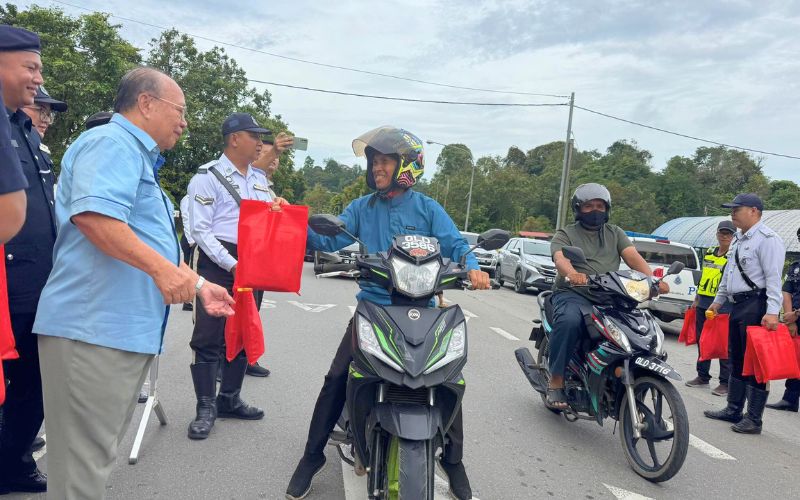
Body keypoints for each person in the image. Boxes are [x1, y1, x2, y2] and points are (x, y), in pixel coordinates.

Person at [32, 67, 235, 498]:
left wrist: (198, 285)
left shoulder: (134, 156)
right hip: (93, 333)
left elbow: (148, 242)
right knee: (80, 477)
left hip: (116, 334)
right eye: (179, 110)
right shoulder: (110, 143)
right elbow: (96, 218)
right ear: (146, 103)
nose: (184, 121)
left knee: (93, 464)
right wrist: (164, 273)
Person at [286, 126, 490, 500]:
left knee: (446, 376)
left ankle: (454, 461)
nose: (377, 168)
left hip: (424, 309)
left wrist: (473, 266)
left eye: (384, 161)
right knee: (336, 377)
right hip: (376, 307)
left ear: (406, 166)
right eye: (374, 162)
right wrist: (295, 219)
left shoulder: (428, 208)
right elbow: (331, 238)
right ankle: (311, 456)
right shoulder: (363, 207)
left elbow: (457, 245)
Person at [186, 112, 288, 440]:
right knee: (209, 336)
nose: (261, 143)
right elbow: (202, 231)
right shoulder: (207, 176)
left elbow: (264, 220)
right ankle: (205, 406)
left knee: (245, 330)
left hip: (252, 264)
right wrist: (232, 264)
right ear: (234, 139)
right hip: (220, 265)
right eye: (254, 136)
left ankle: (229, 398)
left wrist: (278, 208)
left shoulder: (258, 180)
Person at [546, 183, 669, 410]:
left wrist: (653, 281)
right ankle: (556, 381)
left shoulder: (615, 233)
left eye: (600, 206)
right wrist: (572, 274)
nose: (595, 210)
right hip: (573, 294)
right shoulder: (566, 233)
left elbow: (633, 258)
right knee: (569, 322)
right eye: (588, 206)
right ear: (578, 209)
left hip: (610, 295)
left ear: (607, 208)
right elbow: (560, 257)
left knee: (638, 326)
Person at [0, 25, 52, 494]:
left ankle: (14, 461)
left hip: (38, 286)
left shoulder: (23, 128)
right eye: (29, 67)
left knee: (34, 384)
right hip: (5, 283)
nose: (38, 78)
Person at [704, 193, 785, 434]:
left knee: (755, 363)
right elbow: (729, 275)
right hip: (738, 305)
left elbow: (773, 280)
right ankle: (733, 409)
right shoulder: (738, 239)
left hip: (757, 305)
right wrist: (718, 302)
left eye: (737, 209)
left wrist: (772, 312)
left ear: (754, 211)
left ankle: (754, 419)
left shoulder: (768, 240)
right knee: (736, 357)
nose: (732, 213)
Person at [685, 221, 735, 396]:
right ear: (717, 234)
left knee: (723, 345)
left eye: (728, 234)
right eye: (722, 233)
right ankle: (702, 375)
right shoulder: (709, 253)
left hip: (723, 305)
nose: (724, 236)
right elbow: (704, 277)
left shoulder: (733, 256)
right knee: (702, 340)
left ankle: (725, 382)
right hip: (704, 303)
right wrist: (696, 299)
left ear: (734, 236)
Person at [765, 227, 800, 413]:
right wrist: (790, 319)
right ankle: (790, 399)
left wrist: (796, 313)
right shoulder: (795, 265)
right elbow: (786, 290)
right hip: (795, 321)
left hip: (797, 315)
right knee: (796, 361)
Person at [180, 194, 195, 311]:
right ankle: (187, 301)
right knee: (188, 271)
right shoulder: (187, 199)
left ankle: (189, 300)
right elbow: (186, 218)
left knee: (192, 270)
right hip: (189, 239)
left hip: (195, 239)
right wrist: (191, 240)